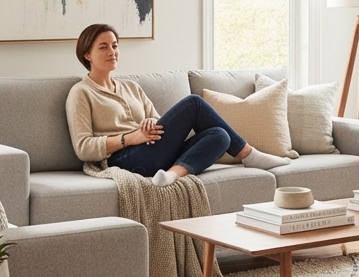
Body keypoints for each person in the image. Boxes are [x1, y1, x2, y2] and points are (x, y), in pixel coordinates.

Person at [66, 23, 290, 186]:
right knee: (194, 103)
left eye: (114, 45)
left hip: (153, 153)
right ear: (87, 54)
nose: (112, 52)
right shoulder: (81, 93)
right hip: (123, 160)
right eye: (103, 47)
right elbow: (83, 148)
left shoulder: (131, 86)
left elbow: (156, 120)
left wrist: (149, 123)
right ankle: (249, 154)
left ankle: (171, 175)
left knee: (221, 135)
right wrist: (130, 138)